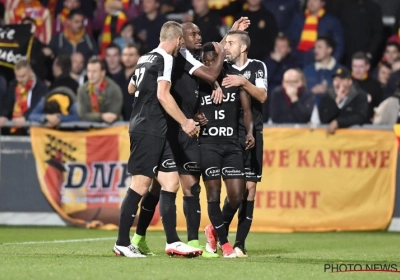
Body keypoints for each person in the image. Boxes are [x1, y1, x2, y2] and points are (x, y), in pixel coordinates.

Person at [129, 19, 249, 257]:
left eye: (199, 32)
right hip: (171, 129)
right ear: (180, 39)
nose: (198, 36)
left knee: (184, 187)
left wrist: (229, 35)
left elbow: (210, 62)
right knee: (161, 187)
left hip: (186, 127)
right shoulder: (178, 56)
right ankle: (141, 237)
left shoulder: (182, 57)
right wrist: (213, 76)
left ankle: (183, 240)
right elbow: (211, 68)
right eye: (192, 34)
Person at [113, 21, 202, 258]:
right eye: (180, 42)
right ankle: (122, 242)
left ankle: (172, 241)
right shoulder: (166, 59)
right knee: (140, 185)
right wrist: (185, 122)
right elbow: (163, 95)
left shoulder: (144, 58)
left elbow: (132, 88)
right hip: (148, 129)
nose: (181, 46)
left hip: (154, 129)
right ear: (176, 40)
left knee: (170, 182)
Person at [204, 30, 267, 257]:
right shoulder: (223, 68)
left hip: (252, 132)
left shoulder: (257, 66)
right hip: (228, 135)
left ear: (242, 47)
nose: (226, 46)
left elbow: (261, 96)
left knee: (250, 189)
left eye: (231, 43)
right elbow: (211, 54)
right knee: (234, 192)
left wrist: (243, 82)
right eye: (226, 43)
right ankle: (221, 234)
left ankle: (238, 243)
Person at [197, 42, 255, 258]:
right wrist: (196, 117)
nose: (210, 64)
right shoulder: (197, 82)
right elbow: (188, 108)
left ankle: (213, 228)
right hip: (208, 145)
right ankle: (225, 244)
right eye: (206, 62)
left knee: (237, 197)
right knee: (213, 195)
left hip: (232, 145)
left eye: (213, 60)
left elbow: (247, 111)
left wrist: (249, 132)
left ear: (221, 59)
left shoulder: (234, 80)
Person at [0, 59, 47, 135]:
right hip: (13, 128)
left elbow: (38, 107)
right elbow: (7, 103)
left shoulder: (41, 88)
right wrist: (3, 115)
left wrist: (25, 117)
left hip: (32, 130)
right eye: (18, 77)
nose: (20, 80)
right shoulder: (13, 85)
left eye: (23, 76)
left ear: (31, 72)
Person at [318, 67, 369, 134]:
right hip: (330, 139)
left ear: (350, 82)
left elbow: (360, 117)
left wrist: (338, 122)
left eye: (342, 79)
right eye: (336, 80)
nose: (338, 83)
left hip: (354, 137)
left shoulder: (359, 96)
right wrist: (337, 102)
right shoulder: (327, 96)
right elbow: (324, 118)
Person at [77, 58, 122, 123]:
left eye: (94, 71)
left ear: (103, 73)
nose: (90, 75)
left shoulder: (114, 89)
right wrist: (101, 116)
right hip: (87, 128)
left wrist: (94, 117)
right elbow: (82, 115)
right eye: (89, 71)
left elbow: (113, 116)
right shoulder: (82, 90)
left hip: (112, 128)